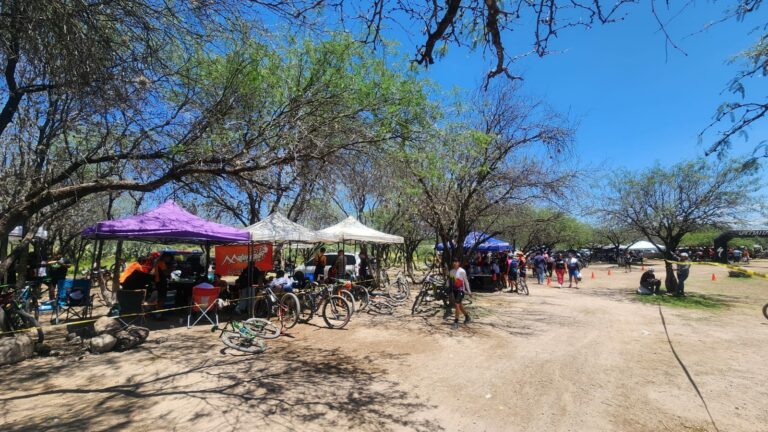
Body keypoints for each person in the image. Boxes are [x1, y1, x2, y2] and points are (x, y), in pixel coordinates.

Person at [449, 258, 472, 329]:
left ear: (459, 263)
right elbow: (451, 281)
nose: (455, 263)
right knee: (460, 306)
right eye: (454, 262)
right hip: (455, 290)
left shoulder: (462, 271)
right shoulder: (451, 271)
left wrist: (469, 291)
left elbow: (466, 281)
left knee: (456, 304)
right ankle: (467, 317)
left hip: (461, 290)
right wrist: (448, 289)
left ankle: (456, 322)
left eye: (456, 262)